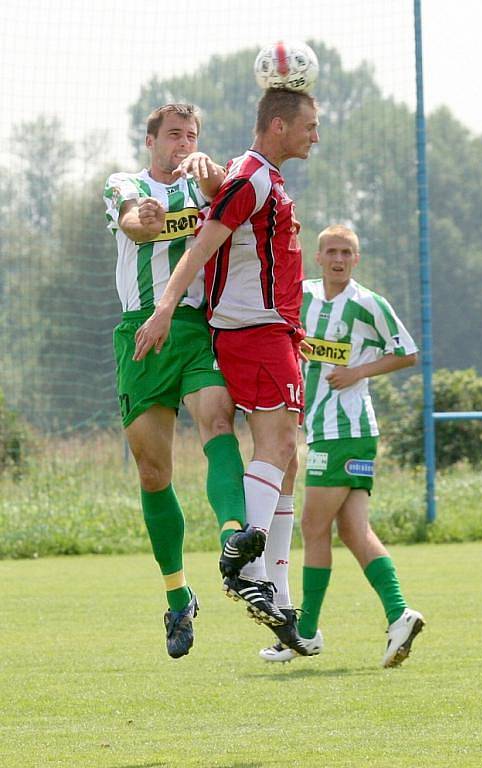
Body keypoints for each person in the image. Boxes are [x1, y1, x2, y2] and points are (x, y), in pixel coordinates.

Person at [132, 89, 320, 655]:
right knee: (278, 442)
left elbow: (222, 197)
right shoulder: (254, 177)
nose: (316, 134)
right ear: (279, 125)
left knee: (285, 458)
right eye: (309, 125)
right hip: (251, 330)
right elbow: (206, 243)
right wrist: (164, 307)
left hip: (272, 329)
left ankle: (279, 601)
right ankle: (246, 566)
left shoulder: (255, 176)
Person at [103, 103, 264, 660]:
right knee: (153, 471)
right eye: (174, 135)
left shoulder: (205, 183)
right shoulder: (126, 184)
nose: (182, 143)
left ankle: (233, 536)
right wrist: (141, 219)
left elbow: (235, 198)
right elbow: (129, 217)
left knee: (218, 420)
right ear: (151, 140)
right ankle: (178, 597)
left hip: (195, 327)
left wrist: (215, 175)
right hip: (140, 334)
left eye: (191, 135)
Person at [259, 224, 425, 667]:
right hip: (332, 432)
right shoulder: (304, 295)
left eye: (346, 252)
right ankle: (399, 615)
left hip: (344, 432)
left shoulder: (369, 304)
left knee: (314, 529)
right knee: (353, 531)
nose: (338, 258)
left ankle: (305, 632)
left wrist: (358, 372)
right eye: (331, 251)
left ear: (357, 259)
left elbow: (407, 352)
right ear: (318, 258)